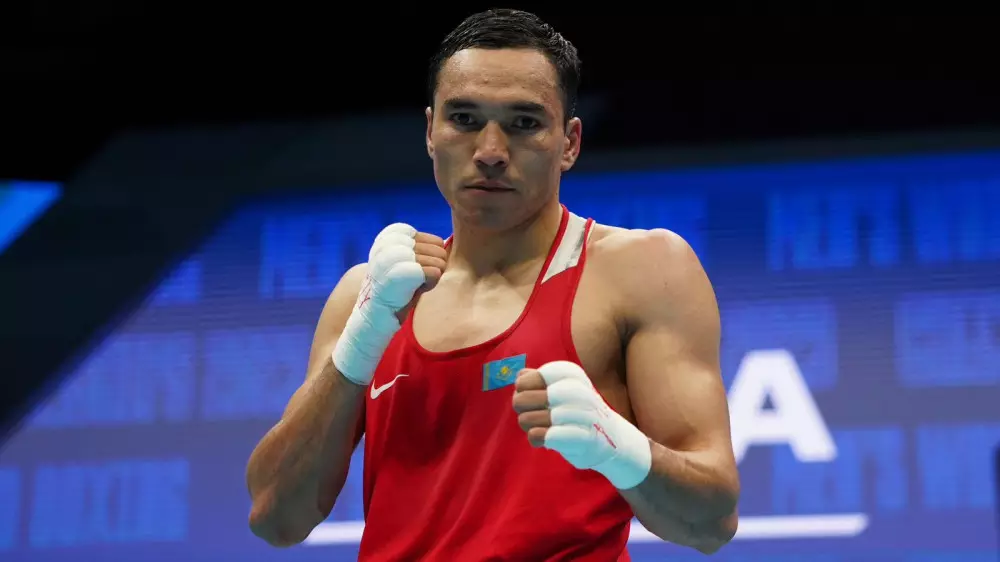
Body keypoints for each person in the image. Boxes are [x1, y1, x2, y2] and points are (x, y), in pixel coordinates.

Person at [246, 8, 740, 560]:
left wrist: (618, 447)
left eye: (524, 123)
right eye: (464, 118)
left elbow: (711, 522)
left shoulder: (642, 271)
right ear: (430, 132)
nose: (490, 151)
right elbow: (275, 517)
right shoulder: (368, 296)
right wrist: (360, 342)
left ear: (570, 142)